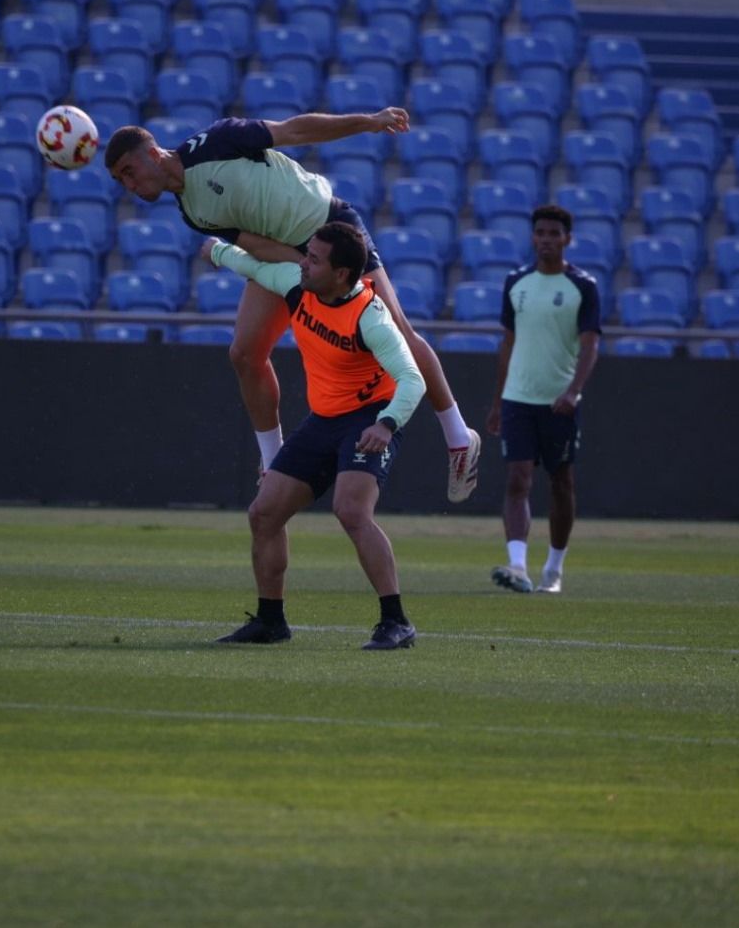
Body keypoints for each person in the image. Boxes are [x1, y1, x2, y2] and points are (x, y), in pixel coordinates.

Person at [104, 112, 481, 502]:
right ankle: (272, 461)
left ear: (152, 152)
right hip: (290, 254)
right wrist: (303, 267)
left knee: (399, 330)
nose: (129, 185)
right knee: (245, 353)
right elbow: (253, 243)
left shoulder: (218, 141)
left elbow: (295, 130)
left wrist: (369, 122)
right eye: (121, 180)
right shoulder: (191, 211)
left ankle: (458, 438)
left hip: (332, 231)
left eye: (129, 171)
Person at [205, 222, 425, 651]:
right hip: (322, 421)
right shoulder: (295, 283)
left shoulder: (370, 315)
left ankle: (396, 622)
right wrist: (216, 252)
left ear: (342, 274)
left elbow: (411, 378)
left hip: (370, 418)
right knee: (263, 514)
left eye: (314, 259)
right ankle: (271, 621)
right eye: (306, 255)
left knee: (351, 511)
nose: (303, 263)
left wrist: (386, 424)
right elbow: (254, 266)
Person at [485, 205, 601, 595]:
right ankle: (518, 567)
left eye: (554, 233)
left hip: (559, 402)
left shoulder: (583, 286)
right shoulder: (515, 282)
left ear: (567, 239)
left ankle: (554, 568)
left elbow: (590, 345)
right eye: (541, 233)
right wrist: (499, 401)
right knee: (517, 479)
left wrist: (573, 391)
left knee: (561, 483)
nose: (546, 240)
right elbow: (508, 342)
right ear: (532, 237)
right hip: (518, 398)